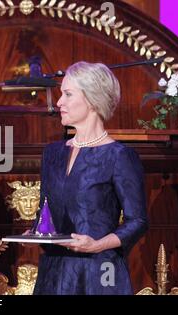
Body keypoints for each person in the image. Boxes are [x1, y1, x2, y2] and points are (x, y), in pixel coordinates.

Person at [30, 61, 148, 295]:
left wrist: (96, 245)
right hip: (55, 273)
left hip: (100, 272)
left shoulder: (119, 156)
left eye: (68, 94)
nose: (59, 101)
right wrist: (35, 231)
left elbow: (138, 222)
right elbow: (45, 214)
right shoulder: (52, 153)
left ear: (93, 100)